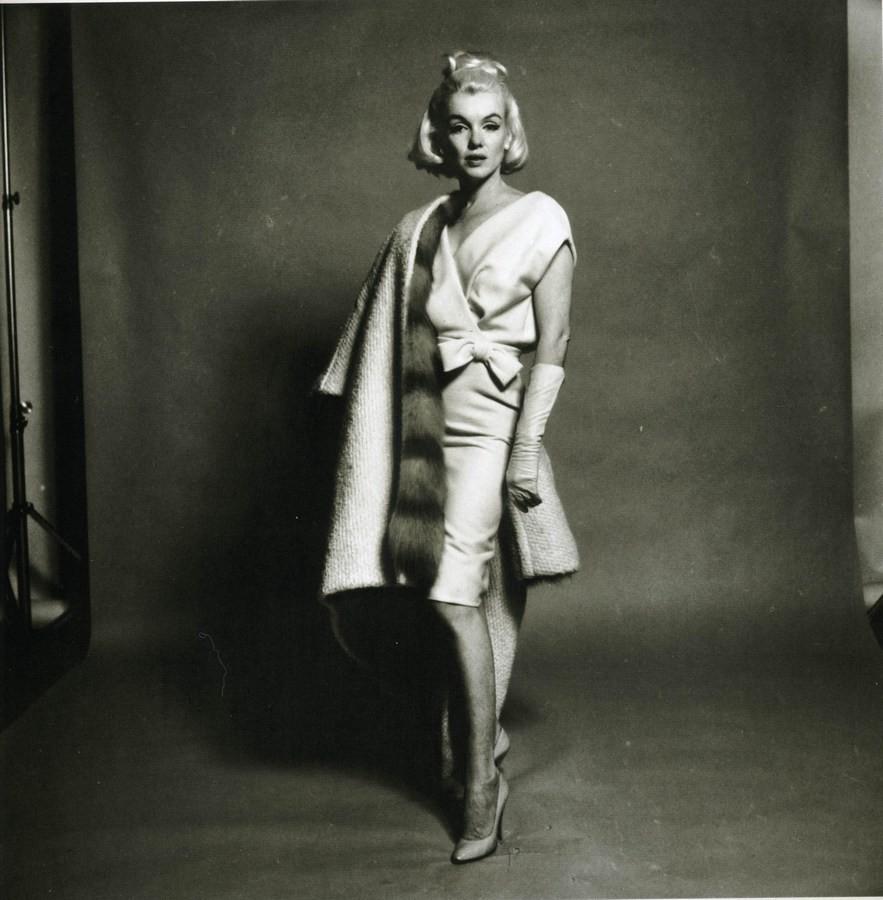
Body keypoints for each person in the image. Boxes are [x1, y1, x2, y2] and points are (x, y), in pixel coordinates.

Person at [315, 50, 578, 864]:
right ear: (439, 133)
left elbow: (554, 346)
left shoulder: (542, 219)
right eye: (459, 127)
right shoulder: (421, 226)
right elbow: (381, 335)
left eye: (490, 125)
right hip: (421, 429)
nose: (475, 142)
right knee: (437, 591)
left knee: (454, 595)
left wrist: (524, 453)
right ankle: (479, 735)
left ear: (509, 134)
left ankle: (479, 785)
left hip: (491, 431)